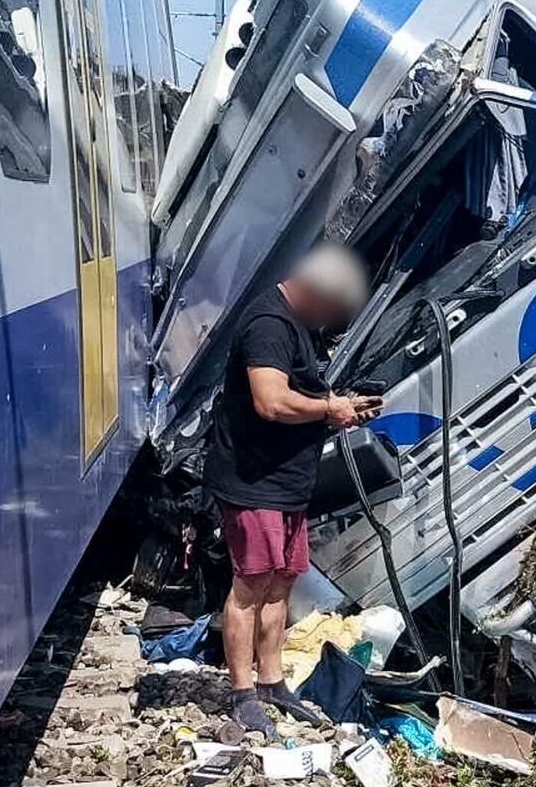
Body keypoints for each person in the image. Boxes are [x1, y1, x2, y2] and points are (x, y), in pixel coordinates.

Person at [205, 242, 377, 733]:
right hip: (253, 480)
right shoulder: (270, 326)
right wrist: (327, 409)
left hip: (287, 481)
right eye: (331, 306)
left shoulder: (298, 326)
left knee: (282, 581)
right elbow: (271, 401)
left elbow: (296, 398)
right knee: (250, 586)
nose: (330, 319)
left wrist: (338, 409)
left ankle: (272, 680)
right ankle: (241, 692)